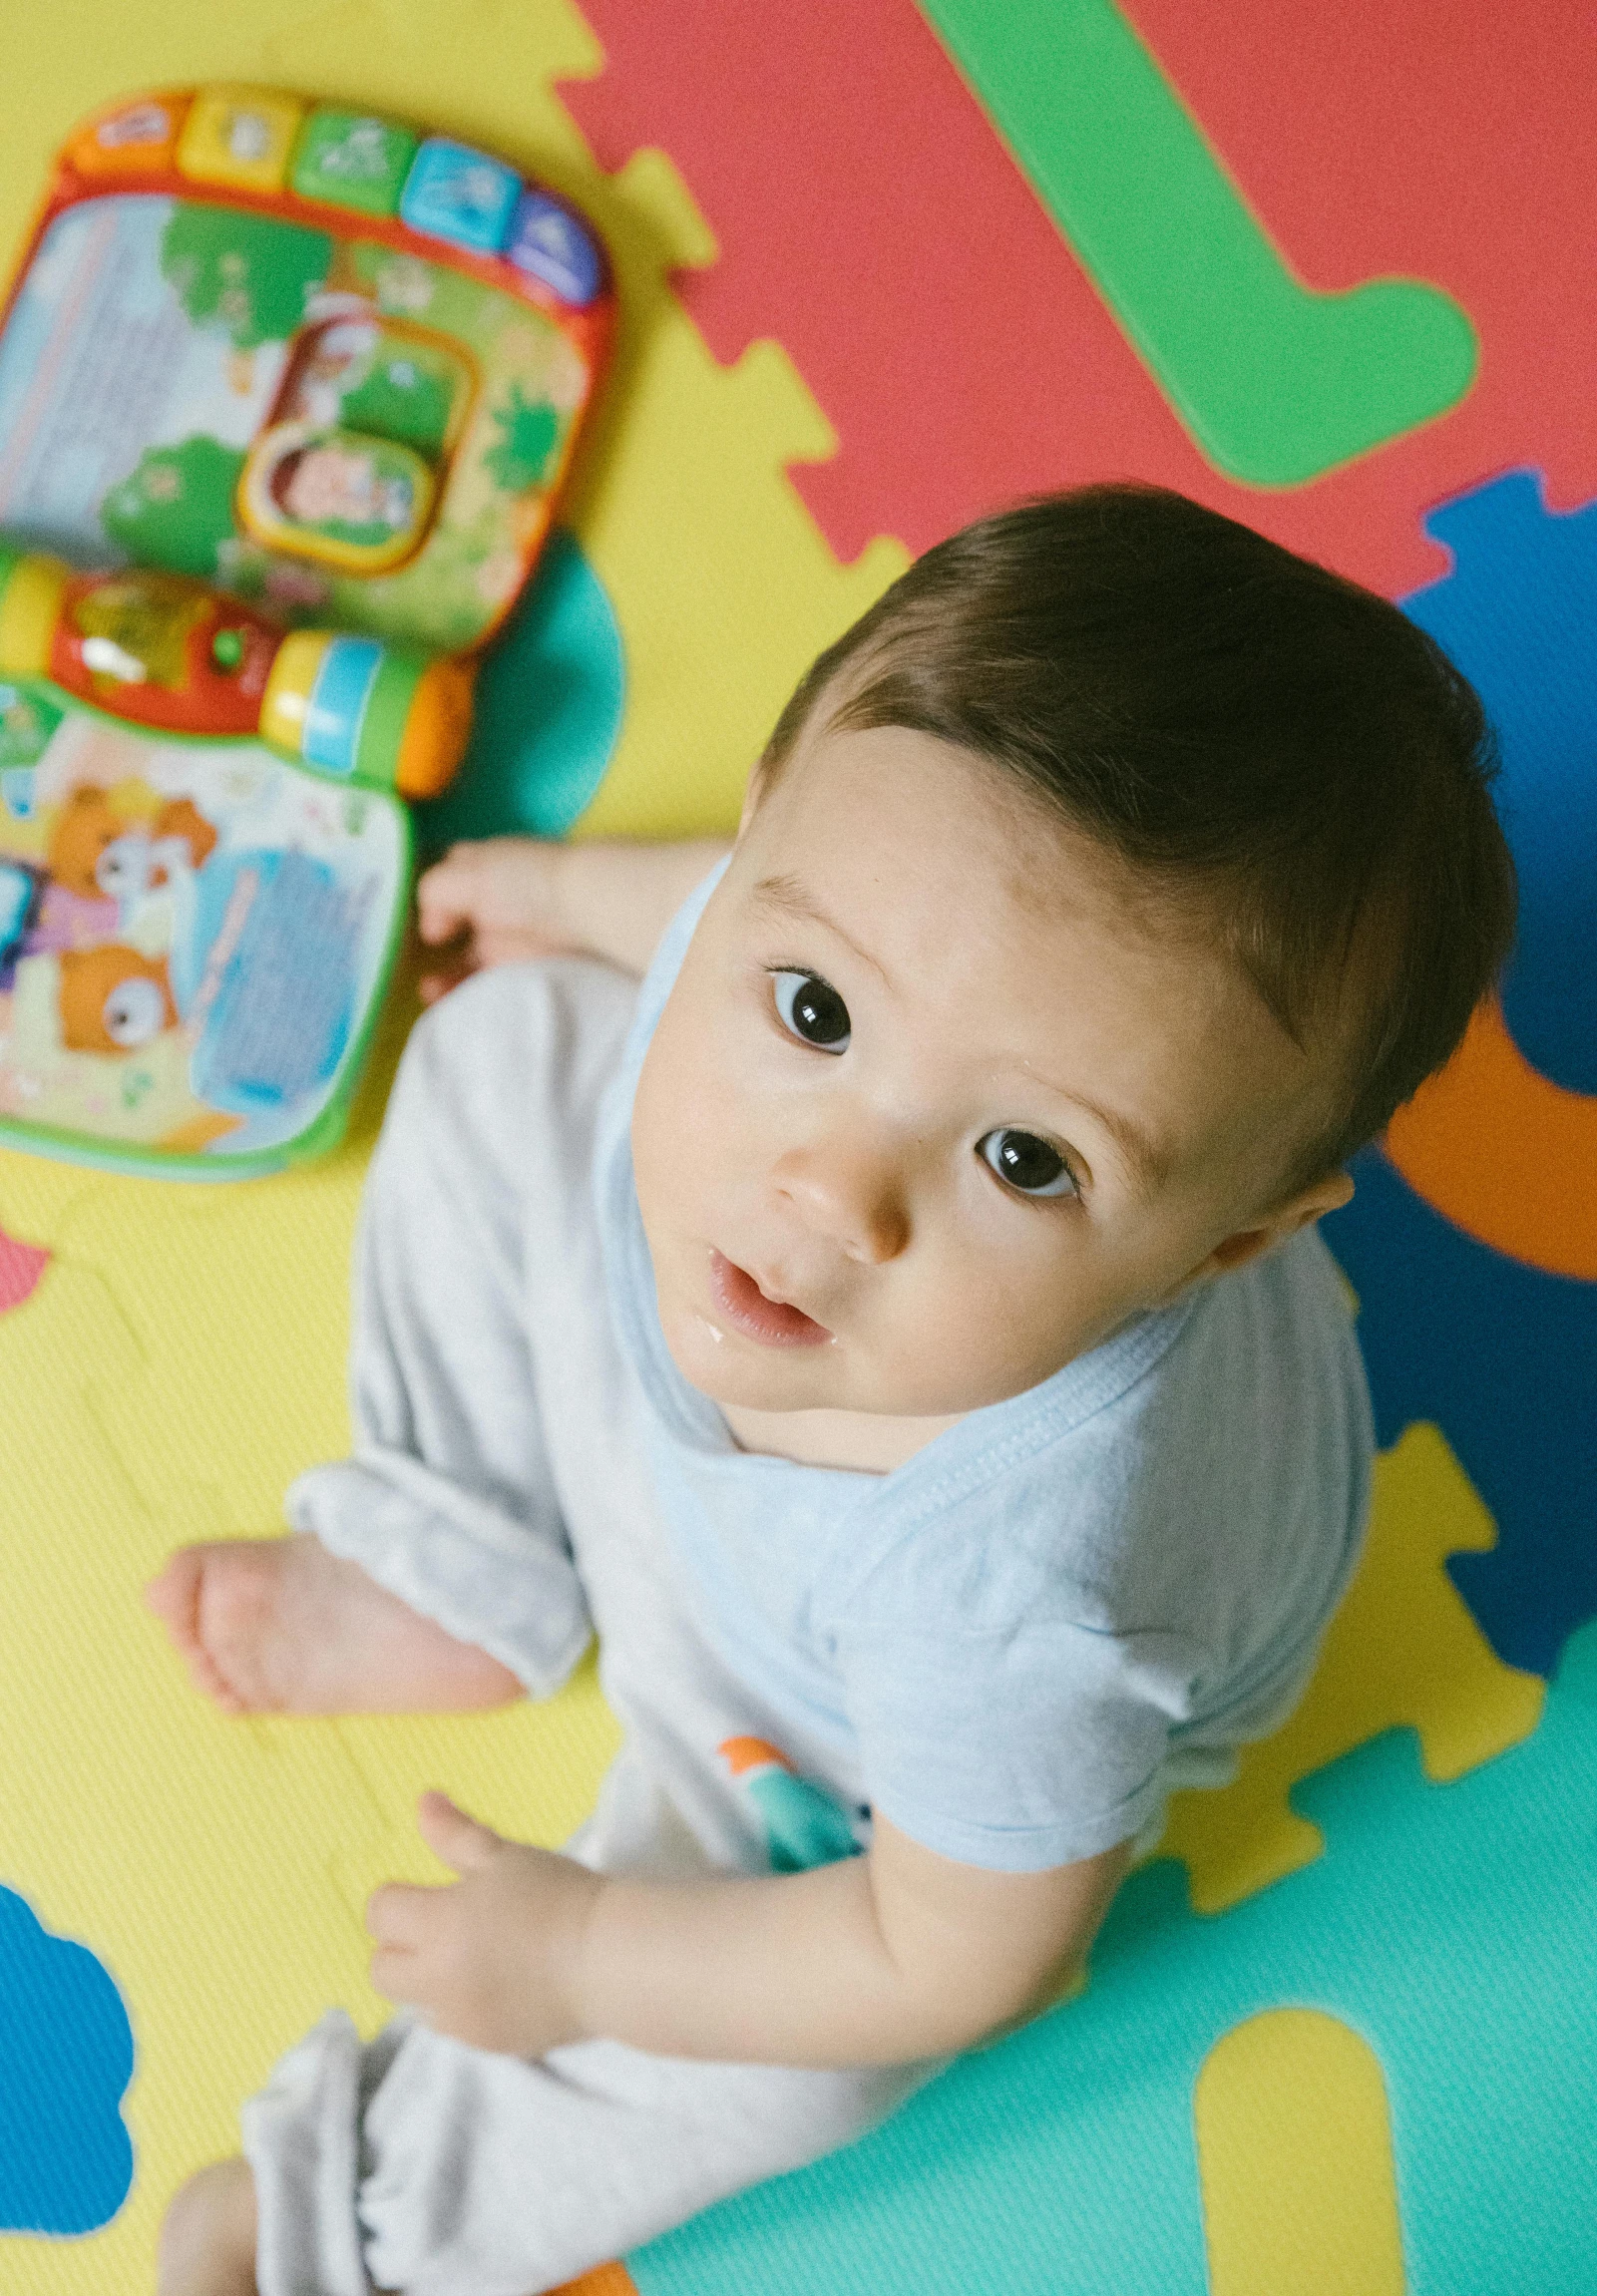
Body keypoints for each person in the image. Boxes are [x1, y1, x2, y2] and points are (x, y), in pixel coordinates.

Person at [144, 485, 1515, 2296]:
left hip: (820, 1730)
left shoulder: (1031, 1600)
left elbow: (955, 1957)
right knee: (502, 1046)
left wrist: (588, 1956)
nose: (828, 1192)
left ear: (1233, 1241)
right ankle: (458, 1553)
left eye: (1027, 1160)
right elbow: (723, 893)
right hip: (726, 1460)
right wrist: (560, 896)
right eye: (811, 1012)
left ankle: (350, 2222)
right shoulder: (878, 948)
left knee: (805, 2047)